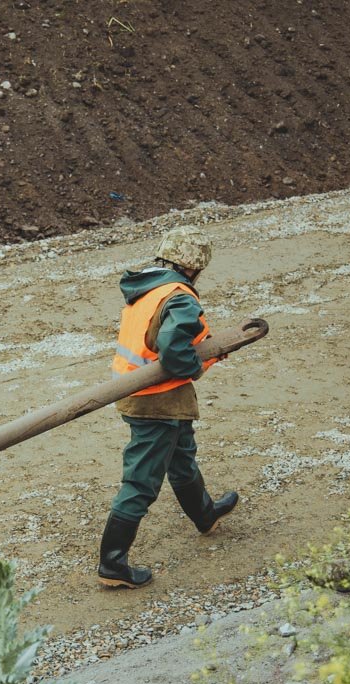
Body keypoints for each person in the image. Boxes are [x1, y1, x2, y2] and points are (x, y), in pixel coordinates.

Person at [100, 226, 239, 589]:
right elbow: (173, 350)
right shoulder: (179, 298)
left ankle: (205, 515)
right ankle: (112, 563)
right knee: (141, 482)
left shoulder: (147, 287)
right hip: (155, 401)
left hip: (150, 394)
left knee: (181, 459)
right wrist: (199, 364)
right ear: (195, 266)